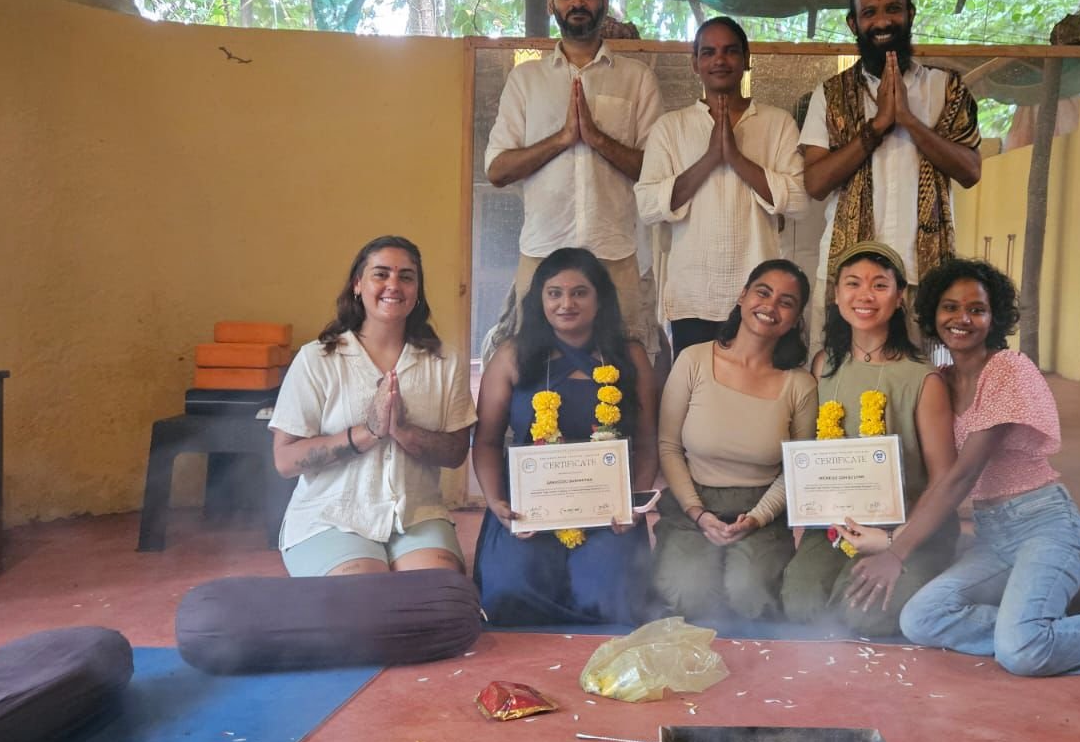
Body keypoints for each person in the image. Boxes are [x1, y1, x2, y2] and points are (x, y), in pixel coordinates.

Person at [838, 258, 1080, 675]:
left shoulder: (1008, 370)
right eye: (950, 307)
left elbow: (962, 476)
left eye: (977, 309)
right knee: (920, 619)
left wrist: (897, 552)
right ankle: (1053, 632)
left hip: (1046, 527)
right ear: (934, 313)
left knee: (1021, 654)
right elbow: (937, 472)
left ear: (995, 317)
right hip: (993, 539)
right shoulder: (942, 379)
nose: (962, 319)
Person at [483, 0, 663, 352]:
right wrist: (562, 139)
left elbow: (657, 171)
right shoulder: (526, 80)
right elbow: (497, 170)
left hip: (615, 252)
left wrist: (597, 139)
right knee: (531, 370)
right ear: (551, 4)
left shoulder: (637, 78)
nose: (577, 3)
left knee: (625, 368)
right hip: (542, 249)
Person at [780, 241, 958, 636]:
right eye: (853, 283)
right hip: (837, 524)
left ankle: (957, 569)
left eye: (880, 285)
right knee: (801, 604)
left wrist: (895, 543)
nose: (864, 295)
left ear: (899, 298)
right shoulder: (825, 364)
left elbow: (945, 479)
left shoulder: (922, 378)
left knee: (864, 616)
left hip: (908, 527)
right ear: (837, 294)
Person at [472, 248, 658, 625]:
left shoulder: (629, 356)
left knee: (609, 597)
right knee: (510, 591)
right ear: (539, 299)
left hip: (606, 511)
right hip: (530, 507)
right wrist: (496, 504)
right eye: (554, 292)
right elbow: (488, 441)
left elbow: (647, 442)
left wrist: (632, 508)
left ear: (599, 298)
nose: (566, 303)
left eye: (579, 292)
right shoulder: (512, 356)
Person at [271, 236, 474, 577]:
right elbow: (285, 460)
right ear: (357, 285)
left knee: (433, 598)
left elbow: (455, 453)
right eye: (381, 274)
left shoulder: (443, 362)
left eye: (406, 277)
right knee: (364, 599)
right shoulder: (318, 359)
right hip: (331, 516)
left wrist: (402, 430)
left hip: (418, 516)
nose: (393, 285)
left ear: (418, 291)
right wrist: (367, 433)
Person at [798, 0, 983, 330]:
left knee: (923, 383)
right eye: (870, 13)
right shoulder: (830, 94)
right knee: (842, 382)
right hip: (851, 279)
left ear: (910, 14)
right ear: (853, 23)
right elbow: (816, 183)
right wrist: (879, 125)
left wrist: (909, 121)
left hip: (925, 277)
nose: (883, 21)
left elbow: (970, 172)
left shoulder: (946, 88)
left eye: (892, 9)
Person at [653, 260, 818, 621]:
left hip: (762, 510)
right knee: (691, 593)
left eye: (786, 302)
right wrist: (698, 513)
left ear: (795, 318)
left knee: (749, 595)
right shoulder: (693, 360)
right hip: (692, 503)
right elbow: (667, 446)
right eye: (763, 292)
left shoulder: (800, 384)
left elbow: (798, 468)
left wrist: (756, 518)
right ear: (742, 296)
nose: (771, 307)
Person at [636, 17, 807, 355]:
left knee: (756, 395)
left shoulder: (777, 123)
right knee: (697, 398)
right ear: (695, 64)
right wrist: (711, 158)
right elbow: (648, 206)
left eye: (730, 51)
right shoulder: (670, 127)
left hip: (762, 296)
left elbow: (799, 200)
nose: (720, 60)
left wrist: (737, 159)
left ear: (746, 58)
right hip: (694, 294)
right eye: (709, 52)